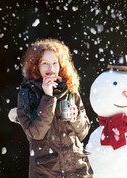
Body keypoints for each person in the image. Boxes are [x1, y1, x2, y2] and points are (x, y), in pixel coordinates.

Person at [16, 38, 93, 178]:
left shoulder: (70, 91)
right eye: (44, 63)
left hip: (78, 170)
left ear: (61, 66)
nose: (51, 69)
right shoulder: (27, 94)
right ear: (35, 67)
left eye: (54, 63)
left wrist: (76, 118)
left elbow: (83, 133)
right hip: (46, 172)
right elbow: (36, 133)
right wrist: (48, 97)